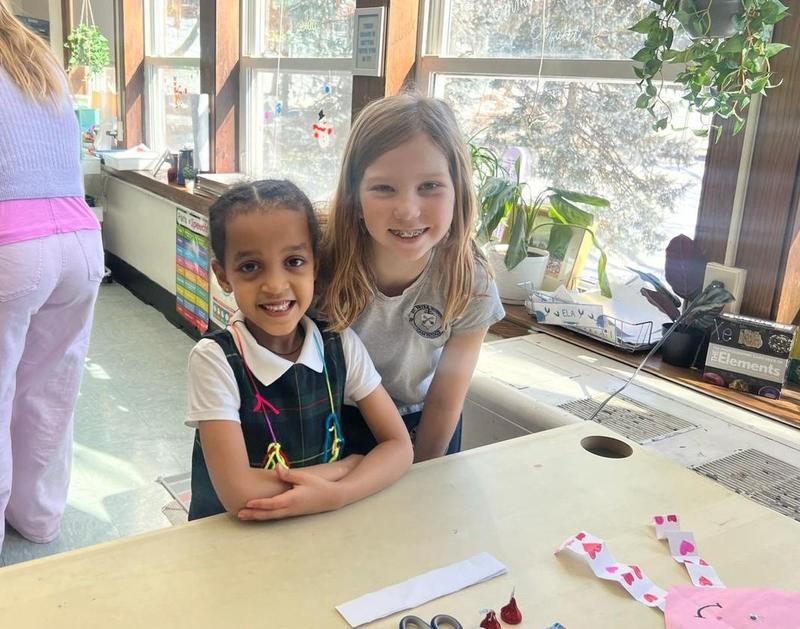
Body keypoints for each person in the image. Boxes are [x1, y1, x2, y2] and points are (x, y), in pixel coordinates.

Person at [186, 180, 412, 521]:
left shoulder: (340, 344)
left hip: (316, 529)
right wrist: (345, 468)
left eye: (293, 261)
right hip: (233, 543)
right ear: (223, 275)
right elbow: (238, 492)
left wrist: (338, 494)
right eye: (250, 267)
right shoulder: (215, 359)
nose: (275, 285)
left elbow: (400, 448)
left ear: (315, 264)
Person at [316, 93, 506, 463]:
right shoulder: (320, 258)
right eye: (384, 188)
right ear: (355, 195)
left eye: (430, 186)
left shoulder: (470, 280)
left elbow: (445, 400)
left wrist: (417, 474)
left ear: (458, 190)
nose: (408, 210)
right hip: (332, 415)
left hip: (420, 422)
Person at [0, 3, 104, 553]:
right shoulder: (35, 58)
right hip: (81, 244)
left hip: (11, 247)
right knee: (50, 392)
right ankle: (38, 519)